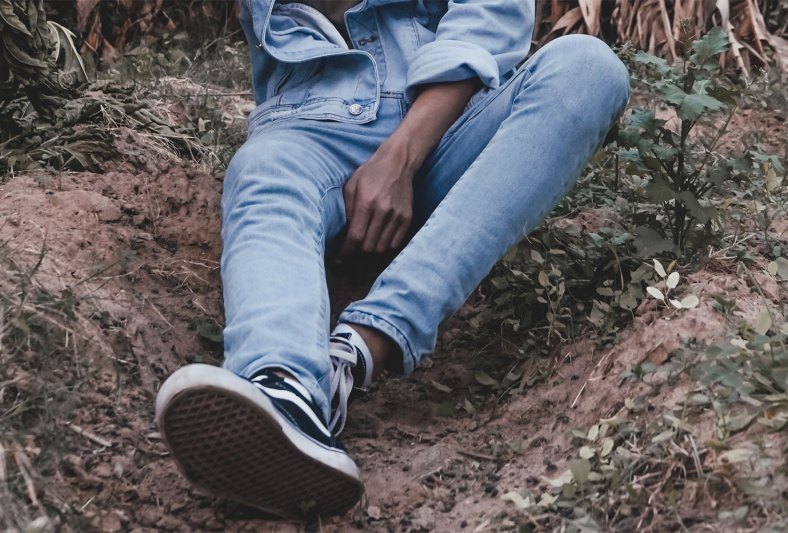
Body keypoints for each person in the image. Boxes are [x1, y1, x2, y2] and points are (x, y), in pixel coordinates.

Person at [155, 0, 630, 520]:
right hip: (308, 127)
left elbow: (492, 12)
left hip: (455, 119)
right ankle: (282, 387)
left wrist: (399, 158)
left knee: (588, 67)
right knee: (263, 169)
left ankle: (355, 354)